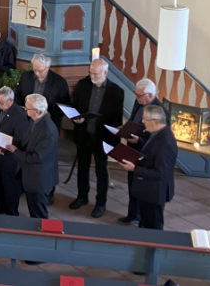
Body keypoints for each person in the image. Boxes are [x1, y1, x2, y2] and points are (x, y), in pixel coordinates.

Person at [69, 59, 124, 218]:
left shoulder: (116, 91)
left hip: (102, 137)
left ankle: (101, 203)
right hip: (83, 133)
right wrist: (76, 118)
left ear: (105, 73)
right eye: (90, 72)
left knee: (101, 171)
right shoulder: (83, 84)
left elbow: (116, 120)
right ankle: (82, 197)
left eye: (96, 73)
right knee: (83, 168)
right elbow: (75, 106)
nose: (92, 76)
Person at [119, 104, 177, 230]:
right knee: (144, 223)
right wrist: (139, 141)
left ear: (155, 121)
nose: (143, 122)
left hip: (155, 192)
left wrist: (134, 169)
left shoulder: (165, 143)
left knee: (153, 228)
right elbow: (151, 150)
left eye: (145, 119)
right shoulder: (158, 132)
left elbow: (161, 173)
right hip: (149, 190)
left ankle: (150, 249)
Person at [119, 78, 169, 225]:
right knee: (132, 183)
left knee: (142, 185)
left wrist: (139, 140)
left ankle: (139, 216)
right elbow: (134, 121)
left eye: (139, 95)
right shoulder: (140, 101)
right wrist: (126, 129)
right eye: (136, 94)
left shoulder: (161, 112)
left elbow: (158, 140)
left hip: (146, 155)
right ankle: (132, 213)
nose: (136, 98)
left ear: (150, 95)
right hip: (133, 148)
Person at [6, 93, 59, 218]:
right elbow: (26, 142)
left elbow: (36, 157)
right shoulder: (35, 121)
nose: (24, 109)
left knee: (38, 213)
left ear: (37, 111)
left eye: (27, 108)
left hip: (38, 179)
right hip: (28, 174)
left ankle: (40, 236)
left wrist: (15, 151)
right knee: (32, 208)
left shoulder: (48, 130)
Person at [0, 86, 29, 215]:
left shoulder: (20, 114)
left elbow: (20, 139)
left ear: (11, 101)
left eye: (1, 102)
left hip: (10, 158)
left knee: (10, 186)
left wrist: (3, 149)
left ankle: (11, 212)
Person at [16, 53, 70, 129]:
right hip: (26, 120)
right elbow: (18, 95)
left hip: (48, 123)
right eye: (35, 70)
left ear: (48, 68)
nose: (37, 73)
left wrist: (51, 114)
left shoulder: (59, 82)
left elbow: (64, 104)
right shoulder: (26, 76)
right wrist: (22, 107)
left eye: (40, 71)